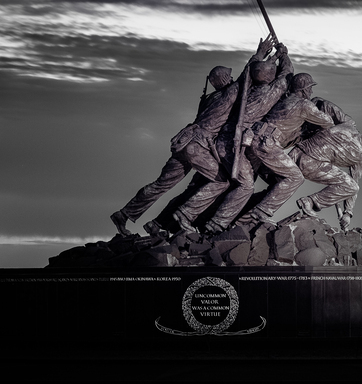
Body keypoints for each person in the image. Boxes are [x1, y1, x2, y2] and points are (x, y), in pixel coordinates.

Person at [110, 36, 274, 236]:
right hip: (196, 146)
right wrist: (259, 54)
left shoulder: (209, 99)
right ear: (224, 81)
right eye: (228, 78)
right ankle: (184, 215)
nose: (231, 80)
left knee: (161, 184)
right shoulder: (227, 95)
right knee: (221, 181)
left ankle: (124, 214)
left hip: (183, 141)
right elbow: (245, 77)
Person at [173, 43, 292, 232]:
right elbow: (287, 73)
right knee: (246, 185)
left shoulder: (243, 91)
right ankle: (213, 222)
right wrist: (283, 55)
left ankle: (192, 215)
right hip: (233, 146)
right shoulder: (270, 93)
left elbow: (248, 73)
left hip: (220, 142)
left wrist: (266, 56)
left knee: (225, 181)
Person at [237, 72, 334, 226]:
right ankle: (260, 212)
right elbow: (328, 122)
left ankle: (241, 219)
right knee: (295, 177)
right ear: (304, 90)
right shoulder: (304, 104)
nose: (311, 92)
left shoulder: (283, 101)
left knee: (274, 181)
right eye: (310, 89)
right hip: (267, 144)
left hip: (254, 139)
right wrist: (325, 108)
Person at [290, 114, 362, 231]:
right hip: (310, 163)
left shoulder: (348, 126)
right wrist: (348, 213)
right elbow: (352, 185)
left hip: (295, 152)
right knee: (352, 187)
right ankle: (309, 202)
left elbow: (321, 103)